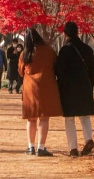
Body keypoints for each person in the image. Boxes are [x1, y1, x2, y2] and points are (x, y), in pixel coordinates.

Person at [19, 28, 62, 157]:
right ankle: (41, 148)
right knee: (44, 118)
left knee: (31, 119)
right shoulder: (49, 51)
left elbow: (21, 72)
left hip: (30, 89)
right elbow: (56, 67)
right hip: (46, 87)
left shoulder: (25, 54)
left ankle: (30, 147)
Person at [55, 21, 94, 157]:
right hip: (84, 86)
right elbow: (92, 72)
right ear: (77, 32)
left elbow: (59, 72)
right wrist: (91, 86)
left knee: (70, 119)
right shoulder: (88, 49)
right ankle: (88, 139)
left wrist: (60, 88)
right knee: (84, 116)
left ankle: (73, 148)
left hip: (69, 89)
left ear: (65, 34)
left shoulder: (64, 50)